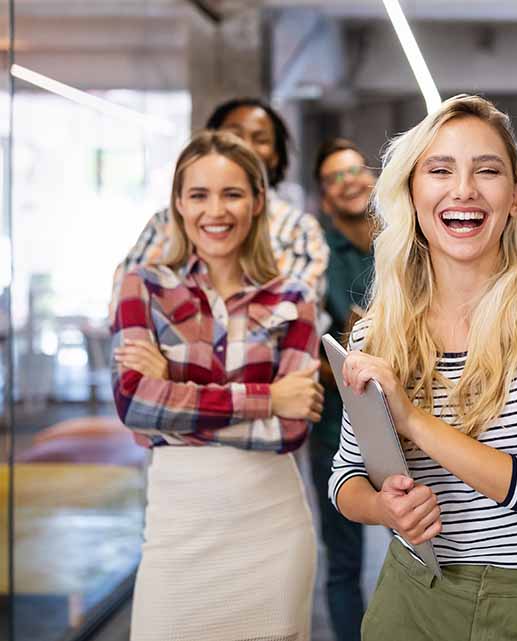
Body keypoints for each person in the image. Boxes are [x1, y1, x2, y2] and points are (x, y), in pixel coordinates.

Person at [328, 94, 517, 641]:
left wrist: (412, 421)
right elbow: (344, 478)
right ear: (412, 190)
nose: (464, 190)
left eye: (488, 171)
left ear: (515, 195)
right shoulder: (376, 332)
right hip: (410, 597)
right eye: (440, 170)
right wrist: (386, 510)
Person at [111, 130, 323, 641]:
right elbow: (136, 404)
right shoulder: (144, 284)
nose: (216, 211)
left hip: (271, 533)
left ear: (256, 201)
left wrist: (175, 399)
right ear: (179, 205)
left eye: (232, 194)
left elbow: (291, 429)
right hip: (177, 535)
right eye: (199, 195)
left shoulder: (293, 297)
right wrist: (267, 397)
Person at [115, 97, 328, 299]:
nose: (245, 146)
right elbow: (126, 300)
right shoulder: (164, 222)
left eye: (260, 139)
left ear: (276, 155)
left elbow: (292, 315)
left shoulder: (299, 229)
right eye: (233, 135)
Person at [309, 137, 376, 641]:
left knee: (426, 546)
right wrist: (347, 361)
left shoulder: (410, 244)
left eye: (355, 169)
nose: (349, 180)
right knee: (343, 561)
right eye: (335, 177)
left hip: (415, 420)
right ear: (326, 198)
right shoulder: (316, 259)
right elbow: (299, 354)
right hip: (337, 426)